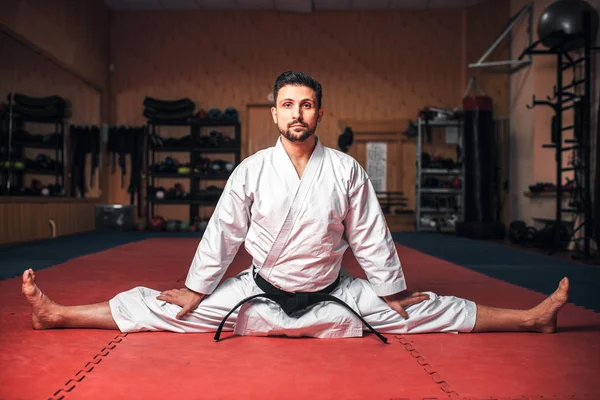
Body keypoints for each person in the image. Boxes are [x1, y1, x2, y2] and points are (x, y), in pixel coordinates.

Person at [21, 71, 569, 341]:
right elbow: (223, 234)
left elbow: (371, 237)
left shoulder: (346, 169)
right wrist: (194, 287)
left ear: (319, 112)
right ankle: (60, 313)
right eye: (288, 105)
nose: (297, 113)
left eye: (306, 104)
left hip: (333, 293)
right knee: (163, 308)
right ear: (275, 114)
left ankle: (530, 317)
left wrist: (393, 290)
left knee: (427, 309)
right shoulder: (252, 169)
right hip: (257, 293)